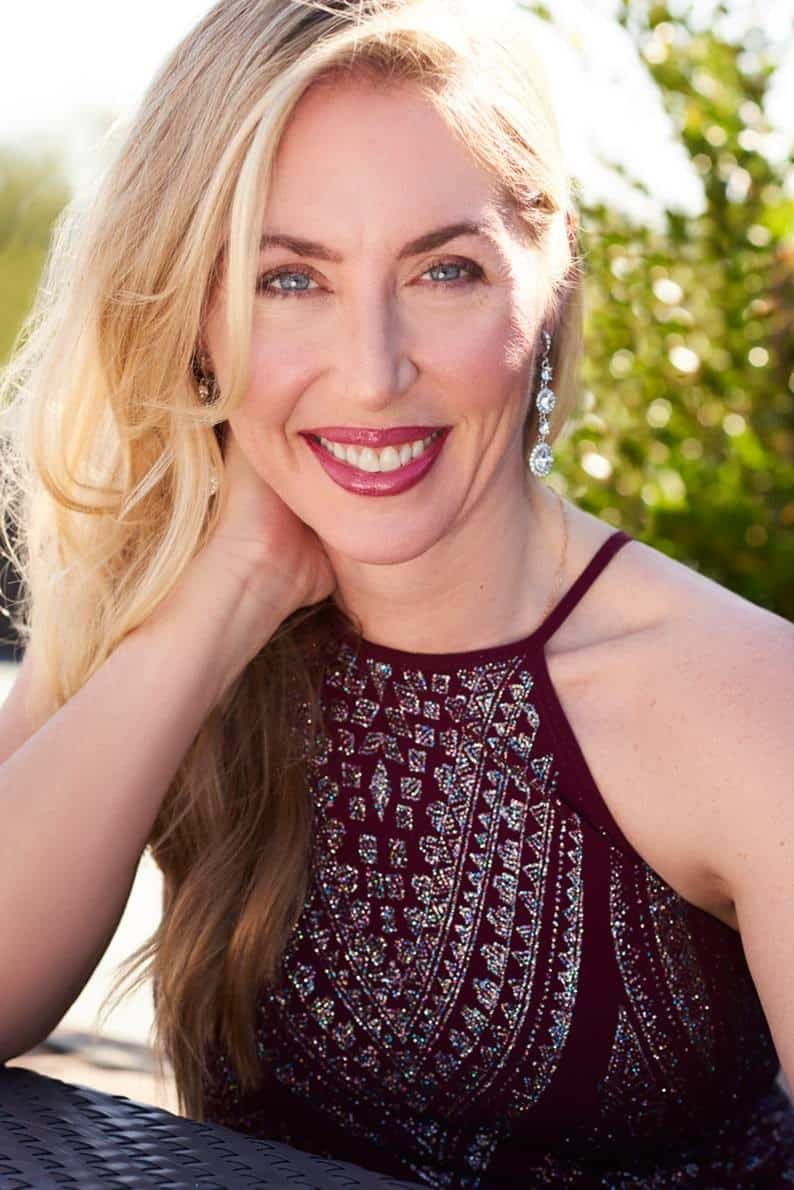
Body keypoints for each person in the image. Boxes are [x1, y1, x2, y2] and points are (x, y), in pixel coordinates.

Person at [0, 0, 791, 1185]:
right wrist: (229, 590)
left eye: (445, 269)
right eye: (286, 279)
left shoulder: (741, 695)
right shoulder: (158, 609)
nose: (372, 374)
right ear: (193, 315)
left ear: (550, 275)